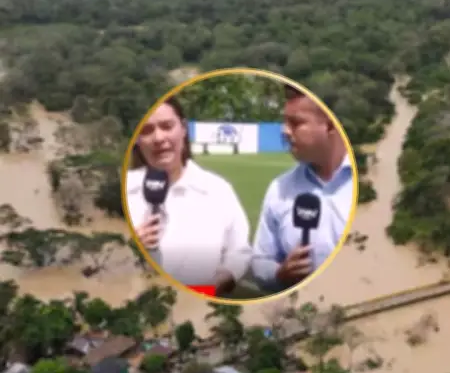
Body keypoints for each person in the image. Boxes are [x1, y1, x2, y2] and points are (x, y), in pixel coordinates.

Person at [125, 97, 252, 296]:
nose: (159, 138)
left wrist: (220, 280)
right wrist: (128, 249)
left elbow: (239, 251)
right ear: (138, 140)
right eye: (147, 130)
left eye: (167, 126)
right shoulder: (123, 189)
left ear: (183, 129)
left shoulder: (218, 190)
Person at [251, 86, 354, 293]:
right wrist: (279, 273)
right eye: (285, 122)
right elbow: (260, 260)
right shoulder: (279, 188)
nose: (284, 131)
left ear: (329, 125)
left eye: (296, 123)